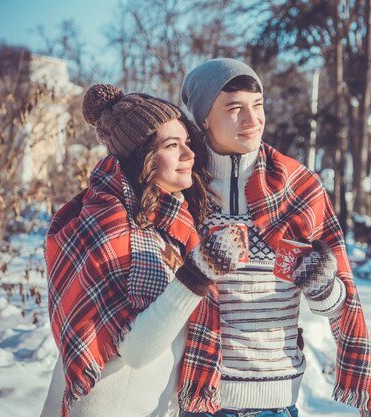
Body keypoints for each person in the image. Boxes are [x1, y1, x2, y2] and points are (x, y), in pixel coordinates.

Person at [177, 58, 371, 417]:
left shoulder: (300, 188)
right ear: (204, 119)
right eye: (234, 109)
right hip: (198, 400)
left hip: (275, 402)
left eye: (257, 106)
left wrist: (321, 282)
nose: (252, 119)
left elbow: (339, 305)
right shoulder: (182, 191)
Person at [40, 84, 246, 417]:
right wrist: (198, 273)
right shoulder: (112, 226)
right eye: (172, 145)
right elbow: (135, 349)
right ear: (142, 157)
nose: (189, 154)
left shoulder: (176, 229)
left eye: (188, 143)